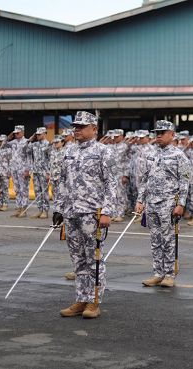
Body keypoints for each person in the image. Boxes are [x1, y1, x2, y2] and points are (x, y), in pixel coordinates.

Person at [54, 111, 117, 319]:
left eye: (82, 126)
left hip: (92, 213)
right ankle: (81, 298)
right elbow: (61, 181)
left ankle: (94, 301)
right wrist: (58, 208)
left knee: (94, 258)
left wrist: (107, 211)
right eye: (76, 126)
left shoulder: (103, 152)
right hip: (71, 212)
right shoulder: (68, 151)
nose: (77, 129)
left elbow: (111, 184)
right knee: (77, 258)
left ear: (94, 129)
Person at [135, 120, 191, 288]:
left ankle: (169, 274)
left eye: (162, 132)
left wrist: (181, 204)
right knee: (155, 239)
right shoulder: (151, 154)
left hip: (168, 203)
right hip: (151, 203)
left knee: (168, 240)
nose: (158, 135)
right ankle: (158, 273)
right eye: (156, 133)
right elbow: (145, 179)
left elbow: (185, 181)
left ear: (172, 135)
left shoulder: (179, 156)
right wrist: (140, 200)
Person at [4, 125, 30, 217]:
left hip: (23, 170)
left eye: (18, 133)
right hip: (14, 169)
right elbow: (3, 145)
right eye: (15, 133)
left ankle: (24, 209)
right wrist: (8, 137)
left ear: (22, 132)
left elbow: (29, 157)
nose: (16, 135)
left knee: (24, 190)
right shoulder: (13, 142)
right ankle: (18, 208)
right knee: (17, 189)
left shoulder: (27, 142)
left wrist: (27, 169)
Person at [27, 127, 51, 219]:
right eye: (36, 134)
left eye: (39, 134)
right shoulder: (34, 144)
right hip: (36, 171)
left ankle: (45, 211)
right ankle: (40, 210)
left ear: (45, 134)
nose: (37, 136)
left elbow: (50, 159)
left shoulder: (48, 145)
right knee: (37, 191)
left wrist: (49, 172)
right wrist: (31, 139)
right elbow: (25, 149)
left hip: (44, 172)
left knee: (44, 192)